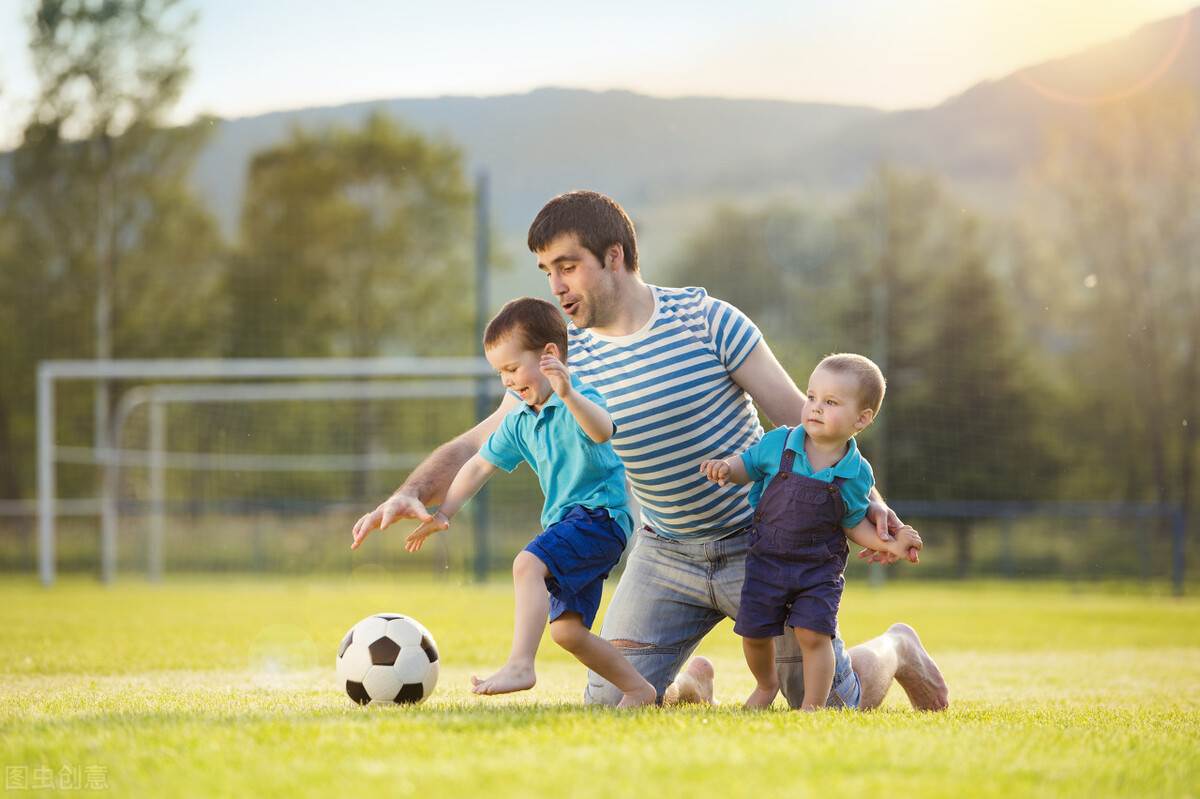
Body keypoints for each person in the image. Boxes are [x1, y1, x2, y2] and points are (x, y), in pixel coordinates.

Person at [352, 190, 949, 712]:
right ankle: (692, 683)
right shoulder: (562, 357)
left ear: (614, 256)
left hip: (759, 544)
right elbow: (476, 443)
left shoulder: (709, 321)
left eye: (568, 266)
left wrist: (872, 503)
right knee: (613, 700)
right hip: (662, 554)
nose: (556, 285)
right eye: (545, 271)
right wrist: (411, 491)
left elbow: (801, 417)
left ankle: (896, 647)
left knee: (830, 703)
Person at [356, 296, 656, 708]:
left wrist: (568, 393)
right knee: (567, 632)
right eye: (500, 373)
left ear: (550, 356)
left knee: (526, 564)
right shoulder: (520, 420)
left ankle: (521, 665)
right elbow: (478, 466)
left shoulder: (579, 398)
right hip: (567, 524)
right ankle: (640, 689)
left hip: (601, 518)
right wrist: (444, 513)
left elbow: (603, 432)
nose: (508, 382)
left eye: (513, 369)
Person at [699, 353, 922, 709]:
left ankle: (813, 706)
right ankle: (765, 685)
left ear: (862, 419)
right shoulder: (780, 443)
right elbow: (749, 465)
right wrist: (727, 468)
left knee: (813, 634)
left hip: (818, 570)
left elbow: (853, 523)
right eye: (812, 396)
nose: (815, 408)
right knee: (755, 633)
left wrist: (894, 545)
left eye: (831, 402)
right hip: (766, 561)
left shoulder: (855, 472)